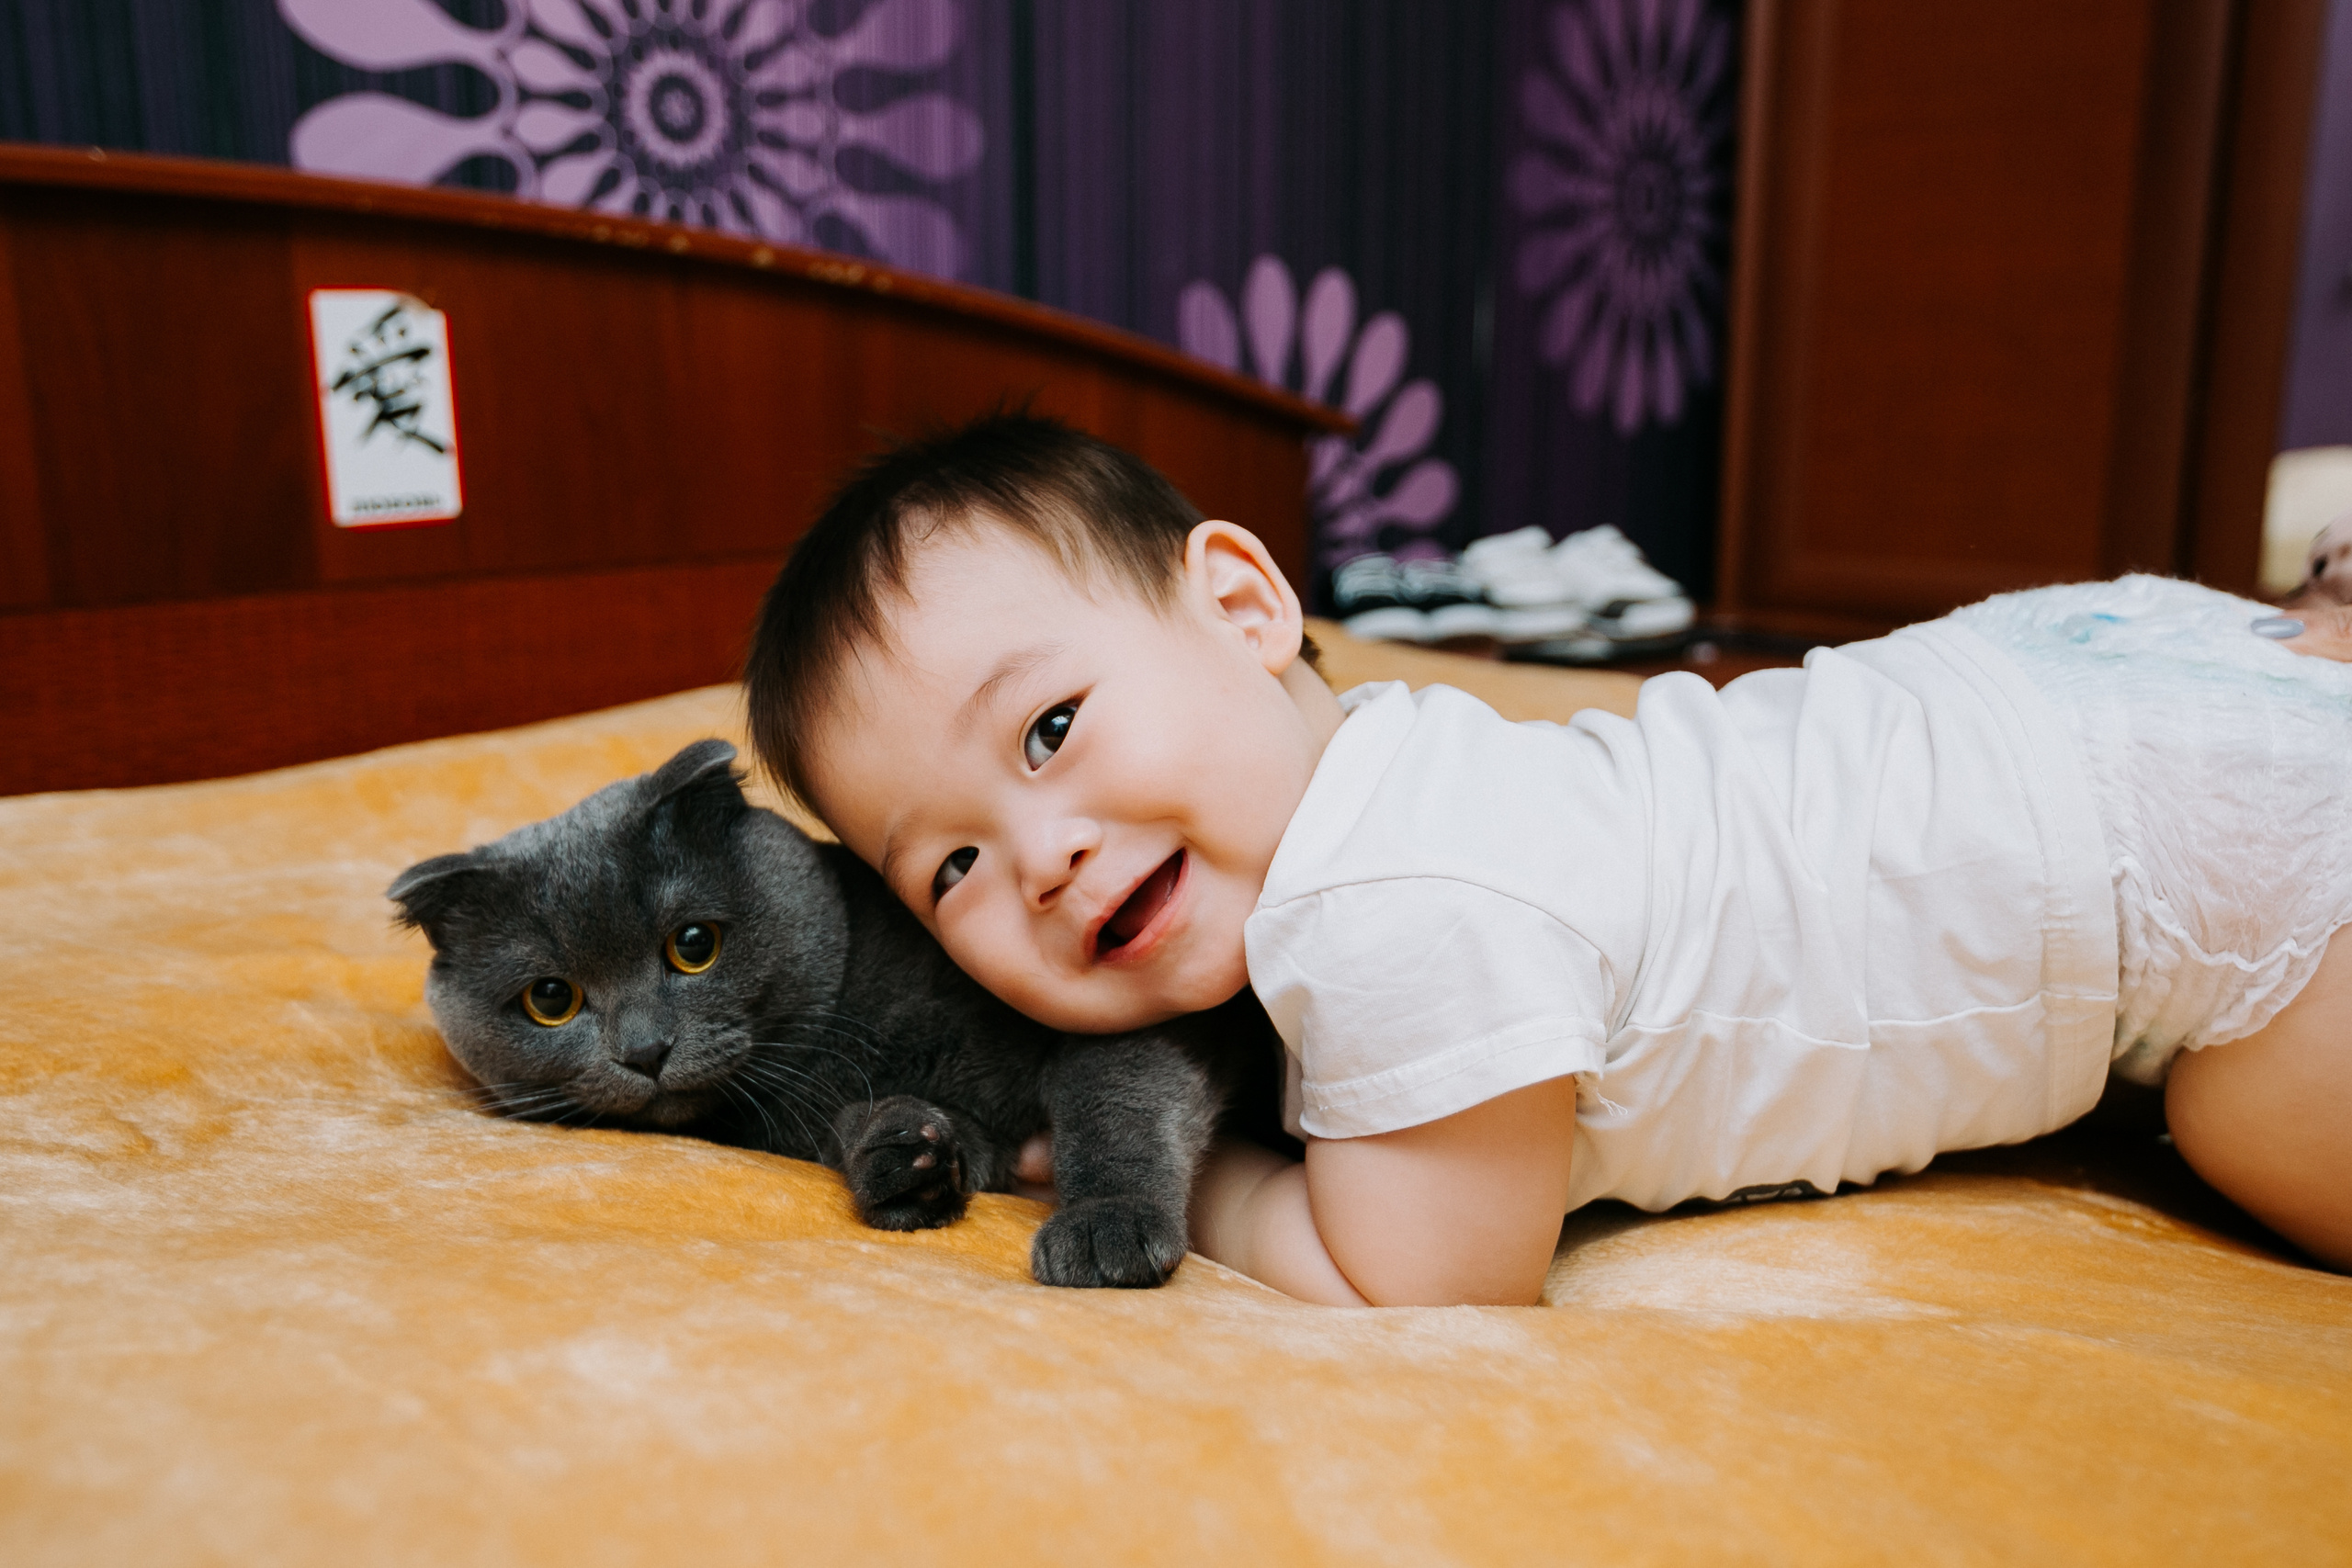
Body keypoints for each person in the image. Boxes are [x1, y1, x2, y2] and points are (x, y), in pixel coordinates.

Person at [744, 414, 2352, 1305]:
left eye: (1048, 730)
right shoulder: (1419, 756)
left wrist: (1175, 1176)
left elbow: (1416, 1283)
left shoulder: (1385, 909)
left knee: (2243, 1123)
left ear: (1242, 608)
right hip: (2066, 668)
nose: (1038, 858)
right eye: (947, 869)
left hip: (2174, 838)